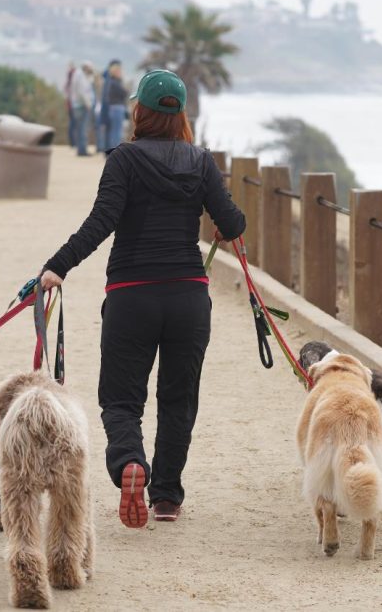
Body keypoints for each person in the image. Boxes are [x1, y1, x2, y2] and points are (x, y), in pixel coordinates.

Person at [39, 69, 245, 528]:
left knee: (120, 399)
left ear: (141, 110)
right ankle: (167, 498)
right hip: (189, 297)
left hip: (131, 296)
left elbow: (100, 222)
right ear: (180, 115)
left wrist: (56, 267)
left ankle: (131, 462)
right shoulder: (201, 161)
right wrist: (229, 211)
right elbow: (231, 225)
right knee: (178, 398)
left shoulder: (123, 160)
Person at [69, 61, 96, 156]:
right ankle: (82, 150)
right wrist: (88, 104)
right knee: (83, 129)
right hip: (82, 106)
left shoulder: (80, 75)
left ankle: (81, 149)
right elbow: (82, 91)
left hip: (79, 105)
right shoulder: (80, 76)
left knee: (81, 128)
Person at [102, 60, 129, 152]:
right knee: (116, 132)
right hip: (117, 108)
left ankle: (112, 151)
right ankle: (115, 151)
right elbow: (124, 93)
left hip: (114, 108)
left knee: (114, 131)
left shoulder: (112, 82)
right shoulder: (115, 82)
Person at [63, 60, 77, 146]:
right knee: (73, 124)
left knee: (72, 124)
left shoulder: (68, 84)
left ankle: (72, 142)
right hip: (73, 105)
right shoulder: (71, 83)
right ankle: (73, 142)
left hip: (70, 105)